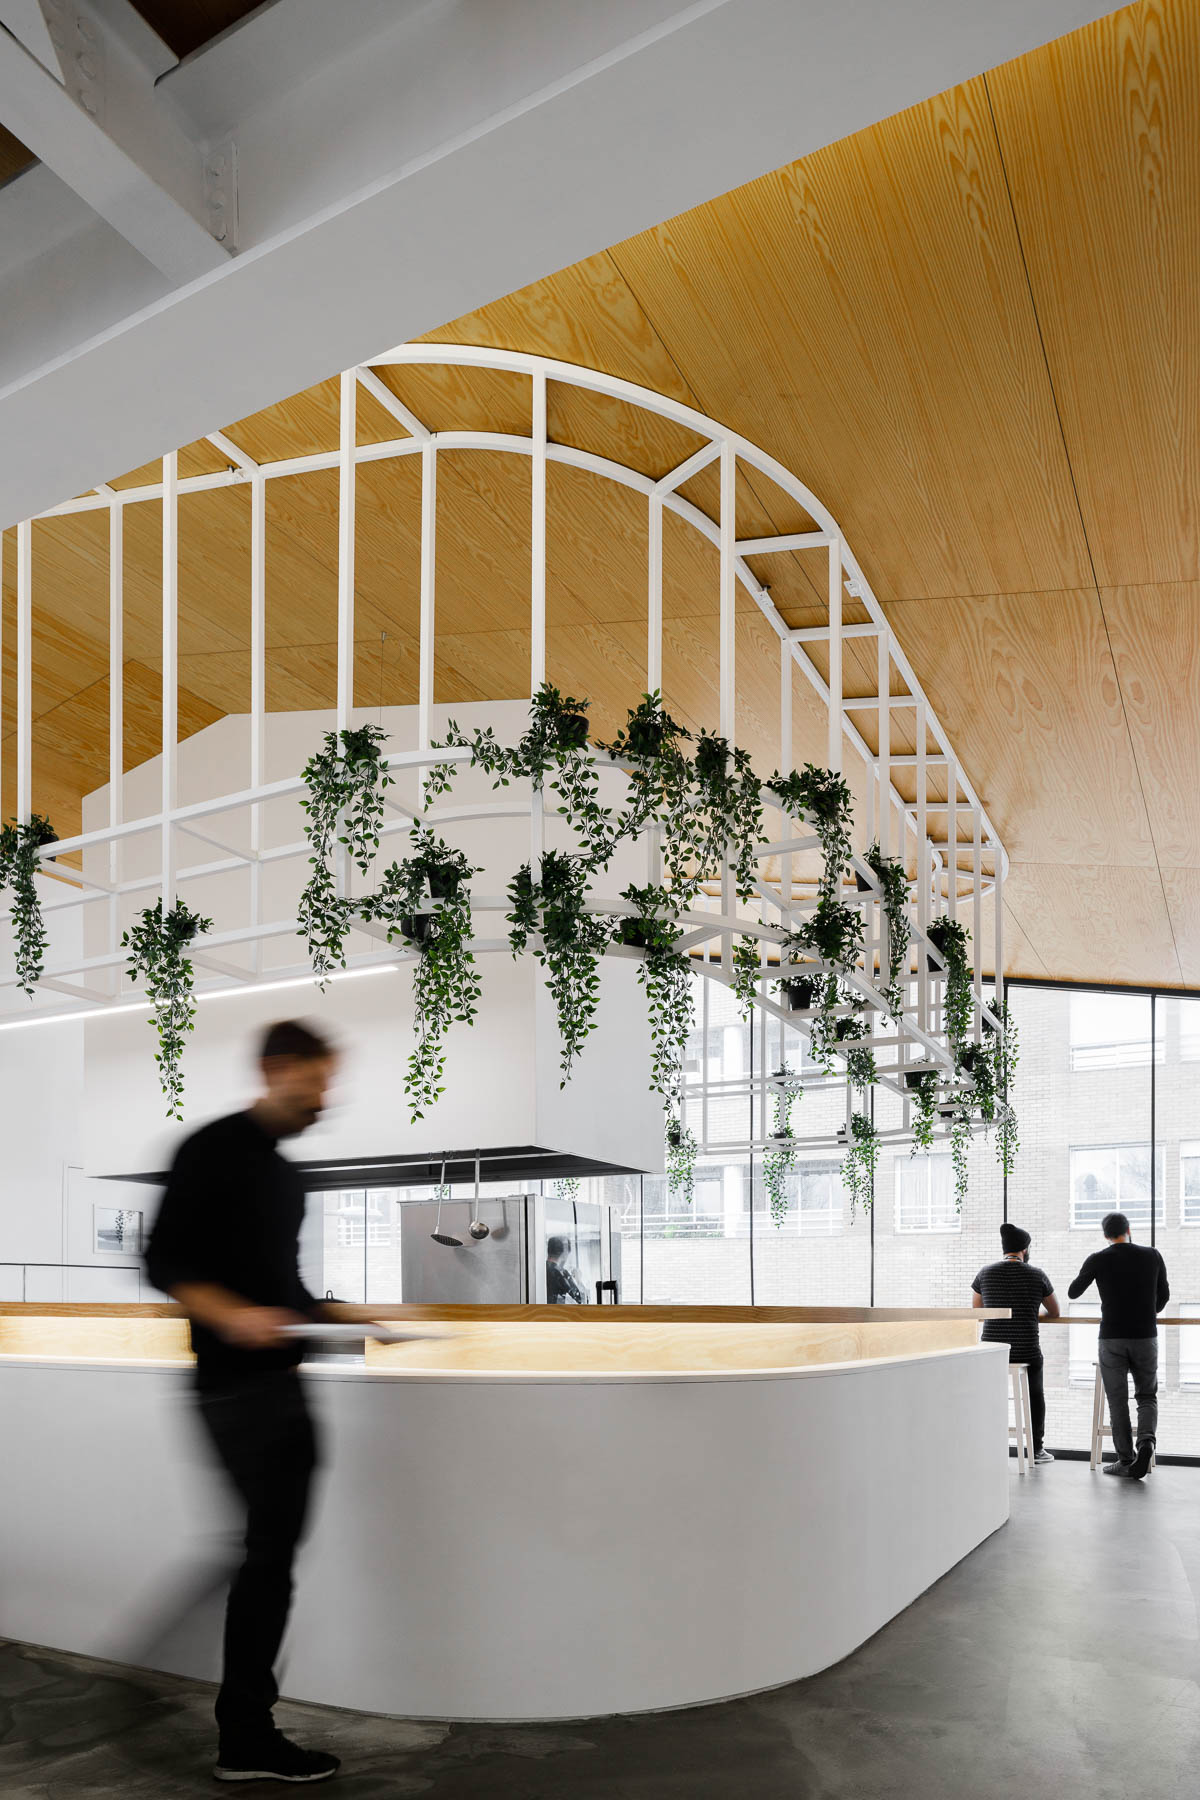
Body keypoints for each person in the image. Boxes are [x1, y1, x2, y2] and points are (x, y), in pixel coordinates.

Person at [145, 1019, 354, 1785]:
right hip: (235, 1390)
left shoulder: (281, 1176)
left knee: (271, 1556)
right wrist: (227, 1312)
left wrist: (352, 1315)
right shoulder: (212, 1150)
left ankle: (245, 1727)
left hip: (279, 1387)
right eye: (316, 1081)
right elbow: (162, 1262)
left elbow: (286, 1291)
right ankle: (245, 1736)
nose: (324, 1097)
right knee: (267, 1557)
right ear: (276, 1069)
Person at [1068, 1210, 1169, 1481]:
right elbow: (1164, 1296)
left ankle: (1126, 1460)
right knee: (1147, 1395)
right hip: (1146, 1336)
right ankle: (1146, 1443)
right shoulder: (1152, 1255)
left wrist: (1093, 1271)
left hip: (1111, 1337)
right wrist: (1148, 1312)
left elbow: (1073, 1292)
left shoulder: (1099, 1258)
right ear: (1129, 1229)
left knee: (1117, 1400)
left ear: (1105, 1235)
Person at [971, 1222, 1060, 1465]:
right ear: (1025, 1249)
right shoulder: (1037, 1274)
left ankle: (988, 1443)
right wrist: (1029, 1311)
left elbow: (977, 1311)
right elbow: (1054, 1311)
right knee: (1035, 1395)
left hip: (993, 1350)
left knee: (990, 1395)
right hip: (1026, 1349)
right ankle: (1037, 1449)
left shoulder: (985, 1273)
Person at [546, 1235, 587, 1304]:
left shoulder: (541, 1270)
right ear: (565, 1253)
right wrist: (578, 1279)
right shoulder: (561, 1273)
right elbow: (582, 1300)